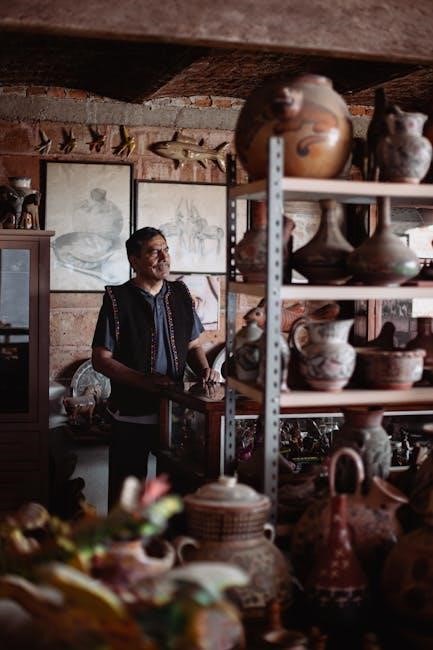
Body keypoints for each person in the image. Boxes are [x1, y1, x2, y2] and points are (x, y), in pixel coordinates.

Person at [92, 226, 219, 507]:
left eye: (166, 249)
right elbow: (100, 359)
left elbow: (193, 345)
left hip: (175, 416)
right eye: (154, 251)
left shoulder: (181, 293)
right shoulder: (117, 299)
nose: (164, 257)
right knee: (127, 501)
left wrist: (205, 369)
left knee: (174, 498)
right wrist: (142, 380)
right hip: (131, 416)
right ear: (134, 260)